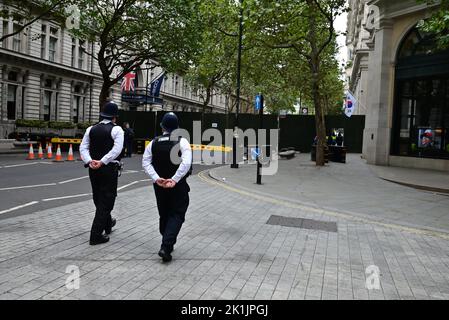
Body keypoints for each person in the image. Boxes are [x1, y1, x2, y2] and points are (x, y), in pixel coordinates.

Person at [142, 112, 192, 262]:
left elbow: (145, 162)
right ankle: (166, 245)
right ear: (177, 127)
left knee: (164, 213)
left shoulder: (153, 143)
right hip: (177, 186)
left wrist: (157, 178)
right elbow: (186, 163)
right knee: (177, 213)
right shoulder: (182, 142)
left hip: (160, 186)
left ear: (162, 126)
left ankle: (166, 239)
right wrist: (175, 180)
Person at [79, 101, 124, 245]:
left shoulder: (90, 129)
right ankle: (96, 235)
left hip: (93, 169)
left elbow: (83, 148)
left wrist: (90, 161)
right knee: (107, 200)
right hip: (108, 169)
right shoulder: (117, 130)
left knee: (98, 197)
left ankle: (108, 223)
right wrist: (103, 161)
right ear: (114, 117)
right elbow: (116, 150)